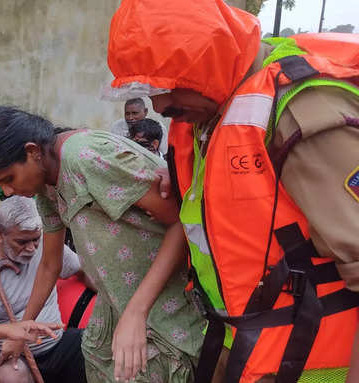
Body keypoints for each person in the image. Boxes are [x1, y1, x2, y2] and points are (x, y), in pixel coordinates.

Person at [105, 0, 359, 382]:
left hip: (311, 362)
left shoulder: (300, 112)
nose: (159, 105)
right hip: (245, 346)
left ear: (209, 62)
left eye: (167, 86)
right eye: (147, 88)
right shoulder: (212, 112)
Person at [0, 106, 205, 383]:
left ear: (32, 151)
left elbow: (181, 222)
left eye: (8, 179)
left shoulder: (84, 158)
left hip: (162, 305)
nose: (6, 192)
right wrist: (22, 330)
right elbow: (50, 264)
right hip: (117, 304)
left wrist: (136, 313)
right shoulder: (45, 183)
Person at [0, 196, 91, 383]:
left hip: (57, 344)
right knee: (10, 375)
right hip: (8, 354)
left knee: (100, 349)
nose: (31, 249)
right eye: (21, 242)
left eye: (35, 239)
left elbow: (83, 272)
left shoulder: (47, 246)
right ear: (0, 234)